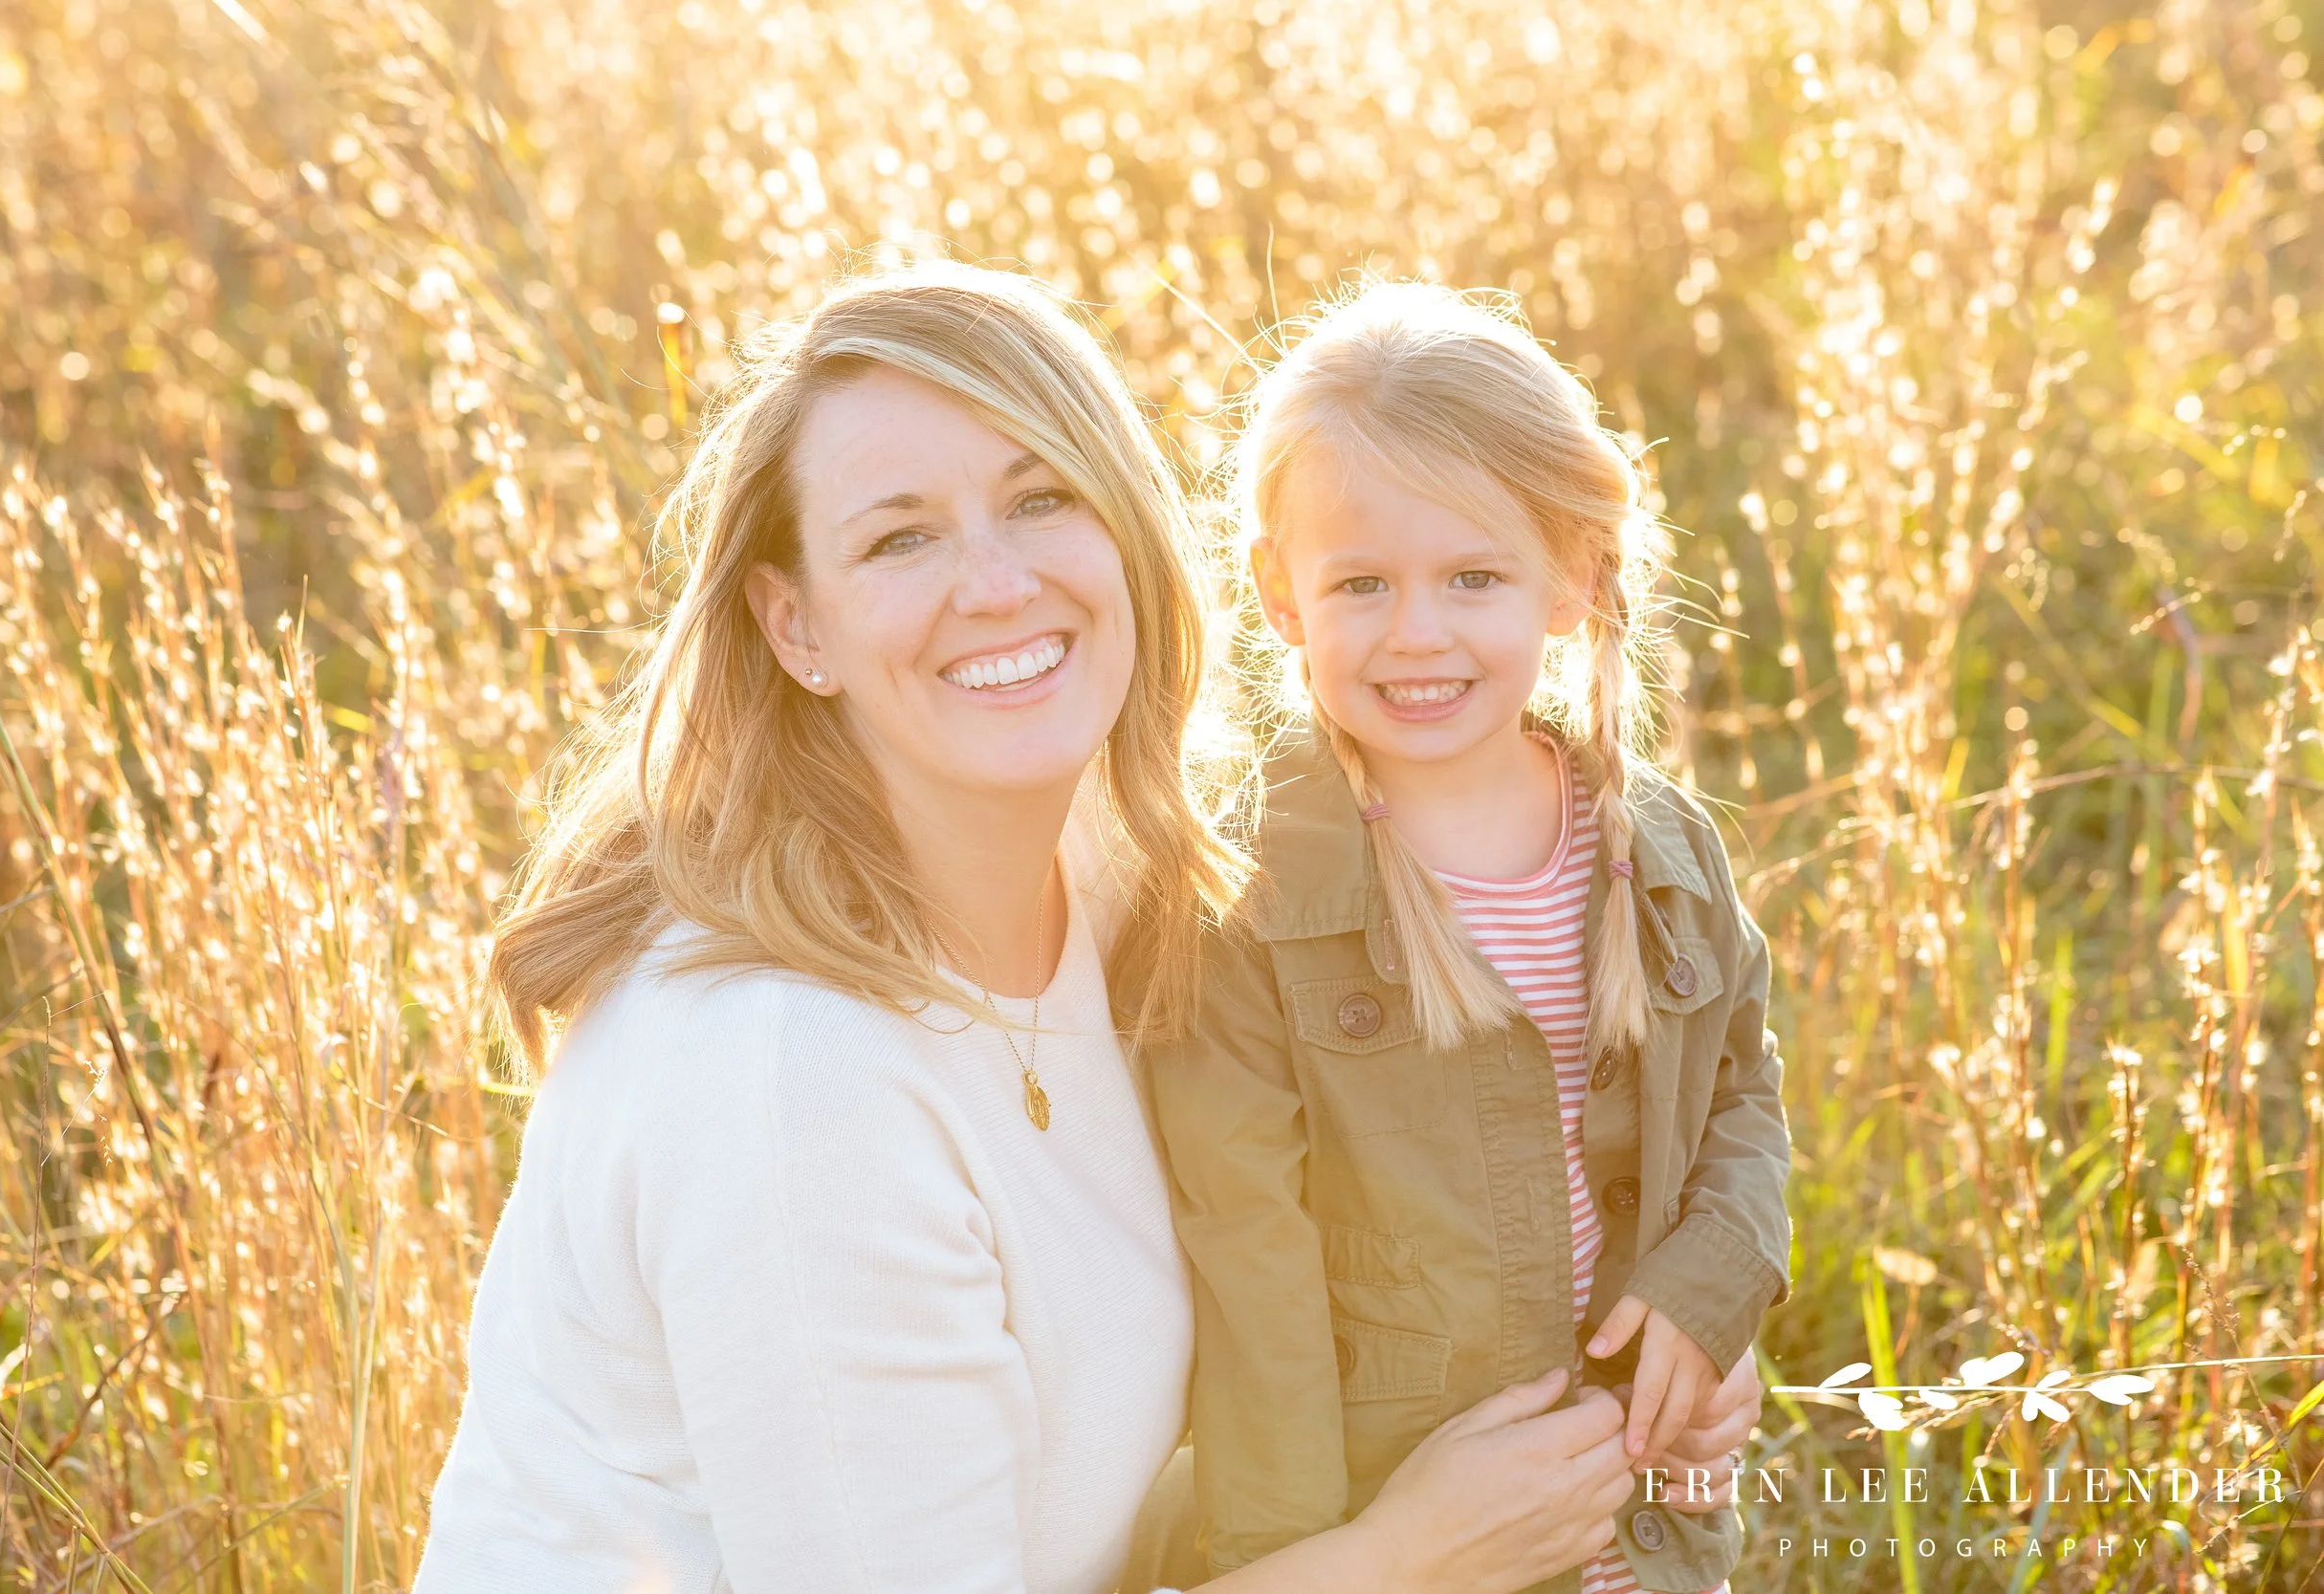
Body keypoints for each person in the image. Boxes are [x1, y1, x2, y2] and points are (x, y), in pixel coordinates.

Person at [411, 262, 1753, 1594]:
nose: (995, 584)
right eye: (900, 537)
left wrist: (1660, 1341)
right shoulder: (791, 1081)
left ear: (1130, 529)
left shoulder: (1131, 872)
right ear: (795, 624)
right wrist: (1405, 1557)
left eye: (1040, 498)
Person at [1146, 280, 1793, 1592]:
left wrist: (1713, 1287)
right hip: (1423, 1533)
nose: (1418, 632)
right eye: (1363, 582)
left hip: (1646, 1523)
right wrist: (1311, 1560)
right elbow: (1252, 1272)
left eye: (1474, 576)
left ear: (1572, 578)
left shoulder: (1657, 853)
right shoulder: (1245, 898)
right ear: (1280, 593)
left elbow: (1742, 1087)